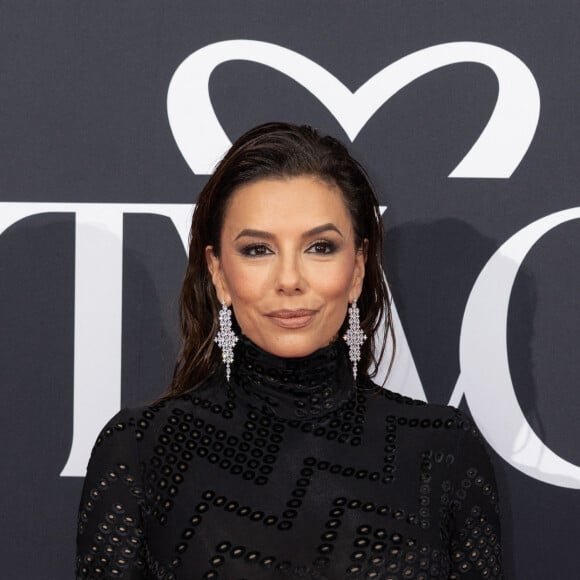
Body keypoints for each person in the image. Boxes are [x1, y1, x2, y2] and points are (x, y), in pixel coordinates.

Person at [76, 122, 503, 579]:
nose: (289, 279)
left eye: (320, 247)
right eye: (258, 249)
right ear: (218, 273)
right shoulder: (140, 452)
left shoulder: (442, 449)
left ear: (357, 269)